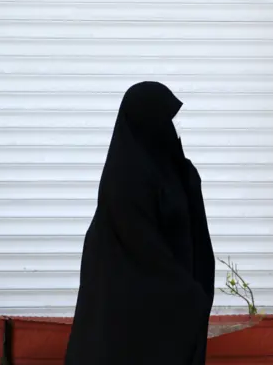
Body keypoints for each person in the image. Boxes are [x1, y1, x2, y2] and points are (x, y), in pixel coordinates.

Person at [65, 81, 215, 364]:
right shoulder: (126, 179)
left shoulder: (176, 171)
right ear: (148, 122)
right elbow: (143, 248)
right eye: (168, 119)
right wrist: (186, 291)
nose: (176, 126)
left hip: (168, 297)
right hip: (131, 305)